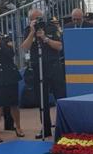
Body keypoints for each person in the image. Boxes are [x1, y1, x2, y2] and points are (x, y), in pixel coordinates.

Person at [20, 9, 66, 138]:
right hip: (38, 68)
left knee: (60, 97)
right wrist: (32, 33)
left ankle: (63, 127)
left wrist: (45, 38)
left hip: (53, 66)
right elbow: (24, 48)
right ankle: (45, 128)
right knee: (42, 99)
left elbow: (59, 46)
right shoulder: (28, 30)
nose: (37, 20)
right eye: (34, 19)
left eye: (39, 18)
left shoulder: (51, 28)